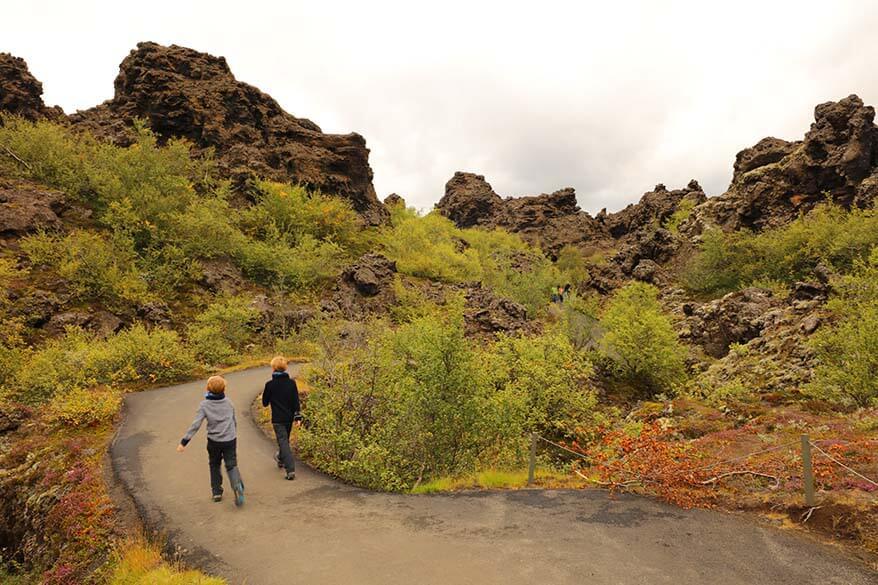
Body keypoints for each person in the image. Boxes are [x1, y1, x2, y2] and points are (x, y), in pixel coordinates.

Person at [177, 375, 245, 506]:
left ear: (208, 388)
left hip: (214, 441)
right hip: (230, 439)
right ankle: (236, 485)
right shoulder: (229, 402)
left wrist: (184, 441)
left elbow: (196, 424)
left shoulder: (204, 405)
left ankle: (217, 492)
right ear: (224, 388)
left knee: (214, 464)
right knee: (231, 464)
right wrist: (233, 433)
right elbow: (233, 420)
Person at [262, 356, 303, 480]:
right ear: (285, 368)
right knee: (284, 441)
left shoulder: (270, 385)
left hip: (278, 418)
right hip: (289, 418)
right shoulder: (291, 383)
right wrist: (297, 416)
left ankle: (290, 469)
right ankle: (280, 458)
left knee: (283, 442)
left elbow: (265, 402)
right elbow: (296, 401)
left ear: (273, 368)